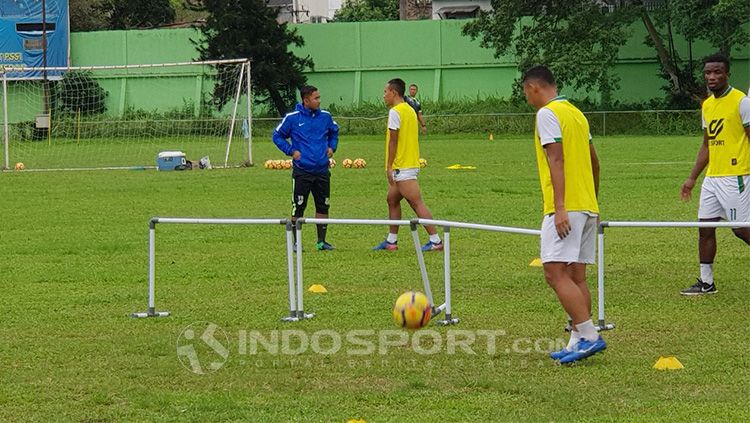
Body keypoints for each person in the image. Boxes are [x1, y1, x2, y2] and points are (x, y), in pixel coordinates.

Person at [521, 66, 606, 364]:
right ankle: (577, 338)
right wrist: (591, 201)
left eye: (525, 92)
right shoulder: (577, 114)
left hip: (565, 207)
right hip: (586, 205)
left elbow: (555, 158)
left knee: (554, 273)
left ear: (533, 88)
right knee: (576, 276)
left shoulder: (546, 114)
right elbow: (595, 163)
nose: (527, 98)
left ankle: (590, 335)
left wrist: (559, 207)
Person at [679, 53, 750, 295]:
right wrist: (692, 178)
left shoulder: (741, 101)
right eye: (708, 72)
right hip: (712, 178)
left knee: (741, 229)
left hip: (736, 175)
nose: (712, 77)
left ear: (727, 74)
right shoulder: (707, 105)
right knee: (705, 227)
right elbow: (707, 145)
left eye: (717, 72)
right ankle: (706, 282)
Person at [373, 78, 442, 252]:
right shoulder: (410, 110)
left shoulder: (395, 112)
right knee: (392, 199)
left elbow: (393, 141)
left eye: (385, 92)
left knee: (416, 203)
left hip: (402, 166)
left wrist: (389, 166)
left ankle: (436, 241)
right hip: (409, 163)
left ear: (394, 93)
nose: (384, 96)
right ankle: (391, 241)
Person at [272, 85, 339, 251]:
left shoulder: (326, 117)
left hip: (322, 170)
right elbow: (277, 136)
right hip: (303, 171)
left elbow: (334, 132)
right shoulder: (293, 118)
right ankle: (296, 243)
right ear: (306, 100)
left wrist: (332, 147)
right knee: (299, 207)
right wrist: (291, 151)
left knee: (323, 206)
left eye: (319, 97)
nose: (319, 101)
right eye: (316, 98)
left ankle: (321, 242)